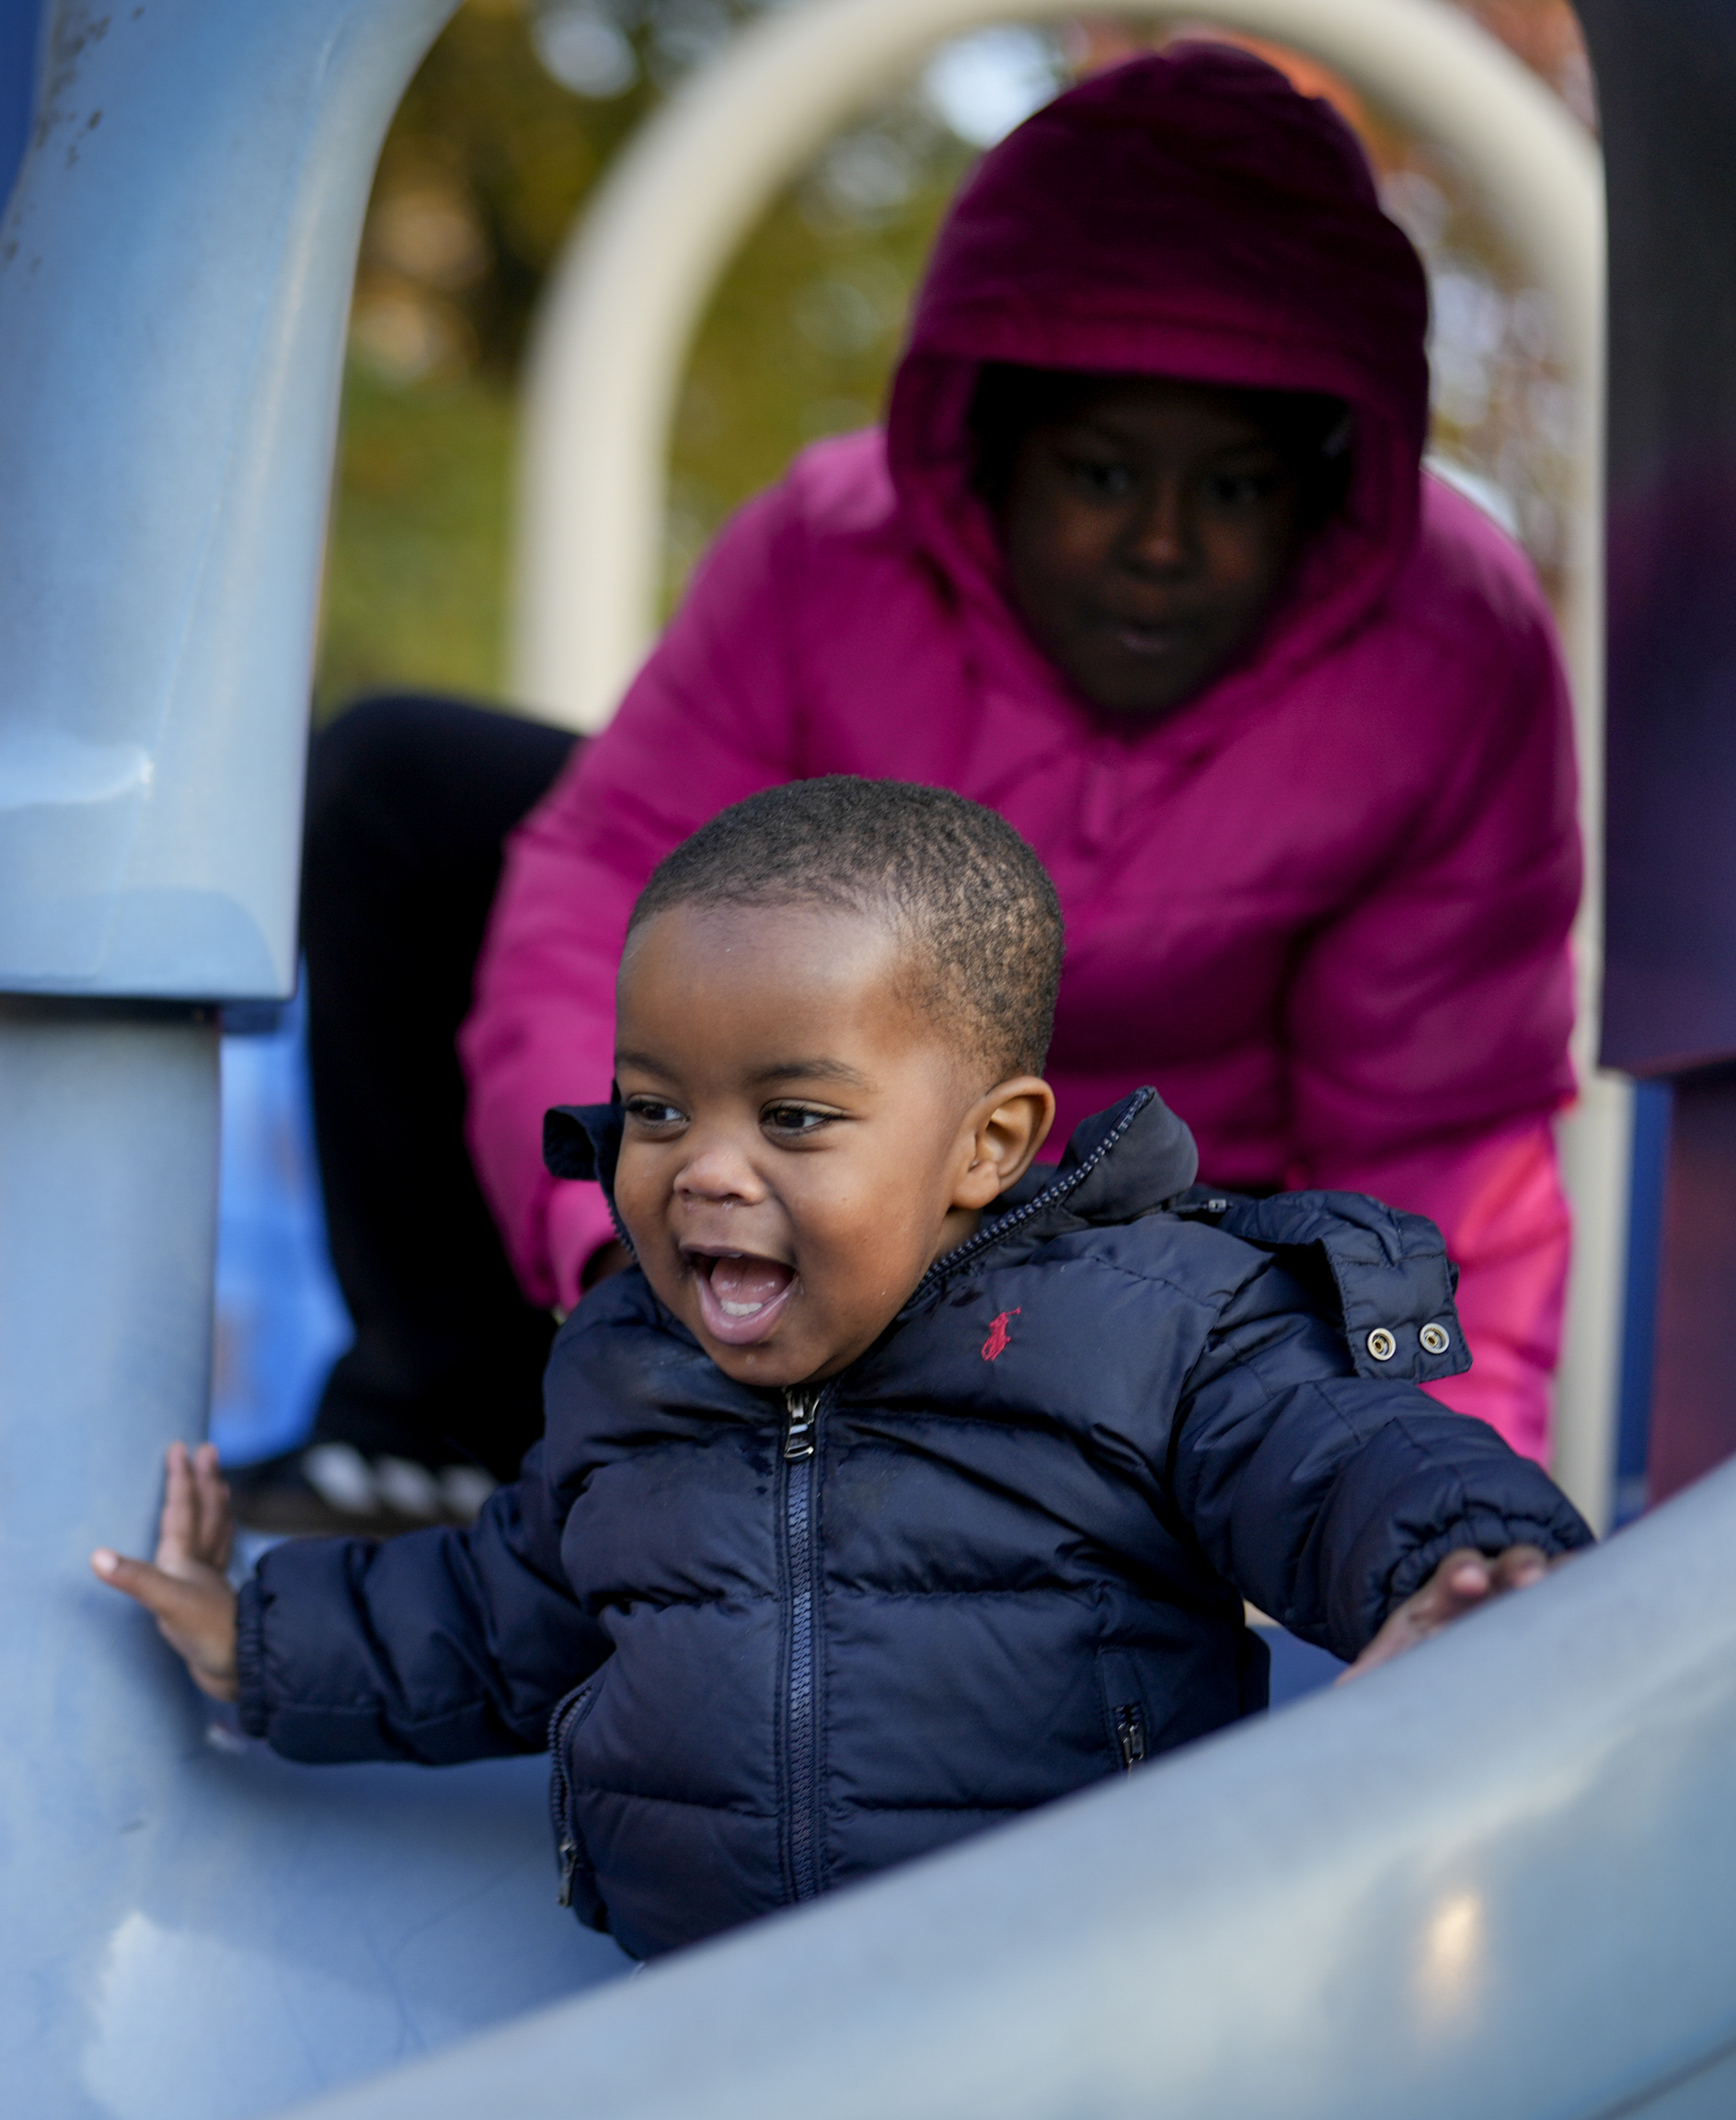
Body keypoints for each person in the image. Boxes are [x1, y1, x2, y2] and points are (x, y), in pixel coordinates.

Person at [259, 42, 1580, 1530]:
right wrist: (634, 1254)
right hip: (804, 1176)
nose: (1159, 541)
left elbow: (1438, 1136)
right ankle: (457, 1441)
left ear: (1329, 485)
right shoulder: (826, 554)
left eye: (1231, 488)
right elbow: (601, 896)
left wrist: (1432, 1511)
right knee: (403, 786)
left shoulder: (1446, 650)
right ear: (994, 451)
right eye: (1098, 475)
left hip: (1151, 1262)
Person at [101, 778, 1588, 1960]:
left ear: (988, 1145)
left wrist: (1463, 1558)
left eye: (795, 1120)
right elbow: (498, 1619)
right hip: (729, 2044)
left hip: (1090, 2003)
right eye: (656, 1111)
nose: (705, 1172)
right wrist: (256, 1640)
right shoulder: (632, 1372)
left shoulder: (1151, 1326)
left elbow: (1335, 1455)